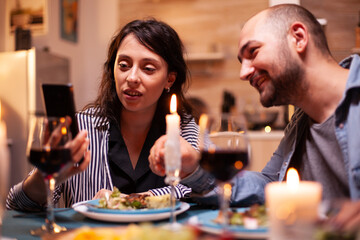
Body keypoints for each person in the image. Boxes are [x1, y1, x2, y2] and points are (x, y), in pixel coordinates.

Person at [149, 4, 360, 233]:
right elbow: (269, 186)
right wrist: (194, 169)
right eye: (242, 62)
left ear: (298, 38)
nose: (243, 73)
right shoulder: (301, 120)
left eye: (253, 52)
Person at [6, 18, 200, 210]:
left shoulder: (183, 129)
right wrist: (46, 175)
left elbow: (212, 190)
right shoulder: (81, 128)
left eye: (148, 69)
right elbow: (17, 204)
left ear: (170, 79)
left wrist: (131, 201)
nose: (131, 78)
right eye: (123, 65)